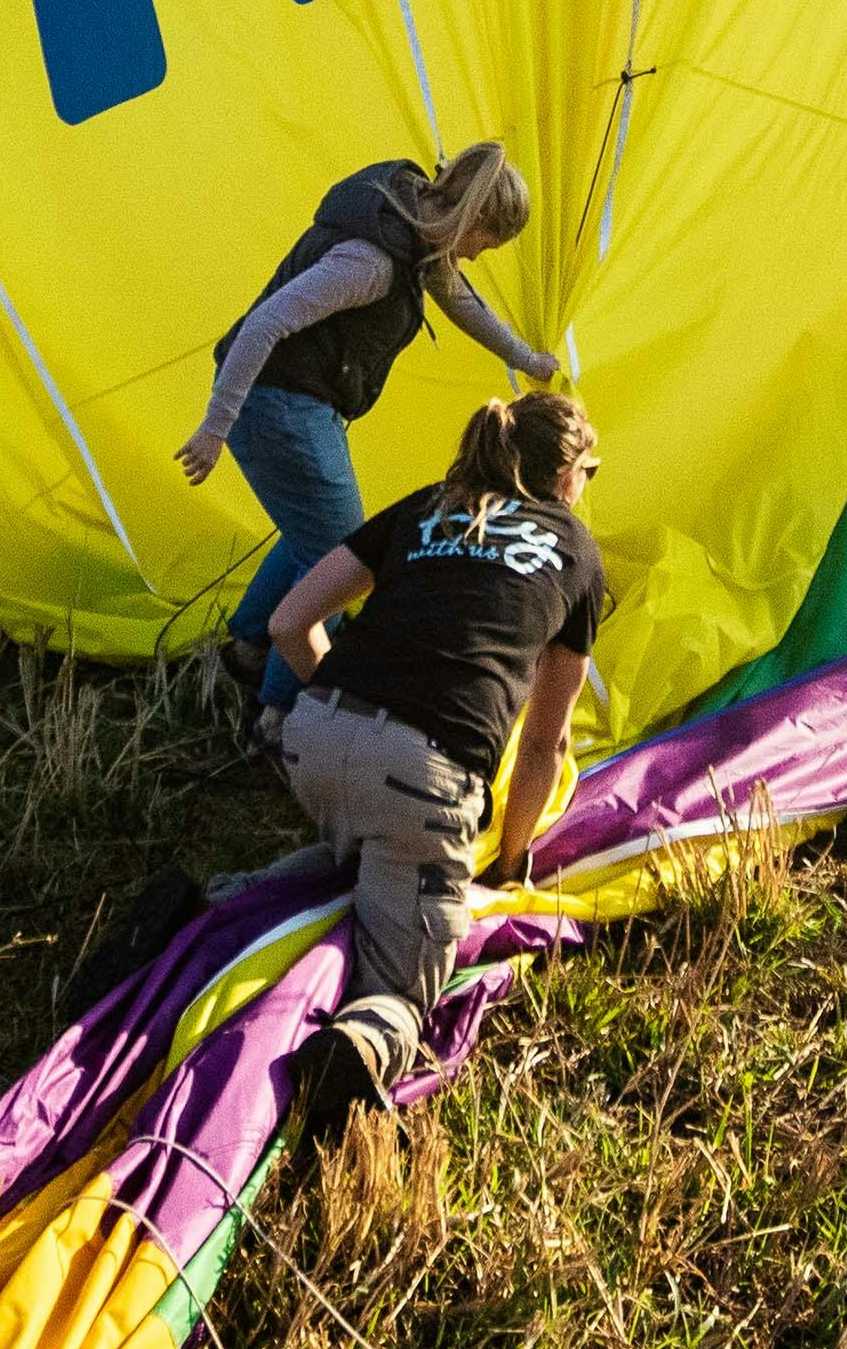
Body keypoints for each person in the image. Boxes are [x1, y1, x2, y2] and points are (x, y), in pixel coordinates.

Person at [257, 389, 605, 1156]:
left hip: (312, 736)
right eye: (592, 470)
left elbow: (288, 621)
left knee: (364, 853)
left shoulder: (426, 506)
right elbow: (543, 746)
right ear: (565, 475)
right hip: (422, 774)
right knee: (401, 986)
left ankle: (212, 907)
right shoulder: (575, 550)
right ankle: (351, 1060)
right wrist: (510, 862)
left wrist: (346, 714)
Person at [181, 144, 556, 741]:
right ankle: (277, 717)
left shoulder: (415, 228)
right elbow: (265, 323)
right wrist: (214, 428)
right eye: (485, 244)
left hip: (304, 405)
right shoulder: (373, 262)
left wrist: (527, 360)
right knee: (340, 562)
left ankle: (250, 650)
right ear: (472, 220)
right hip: (278, 407)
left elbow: (462, 303)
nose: (476, 257)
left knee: (316, 536)